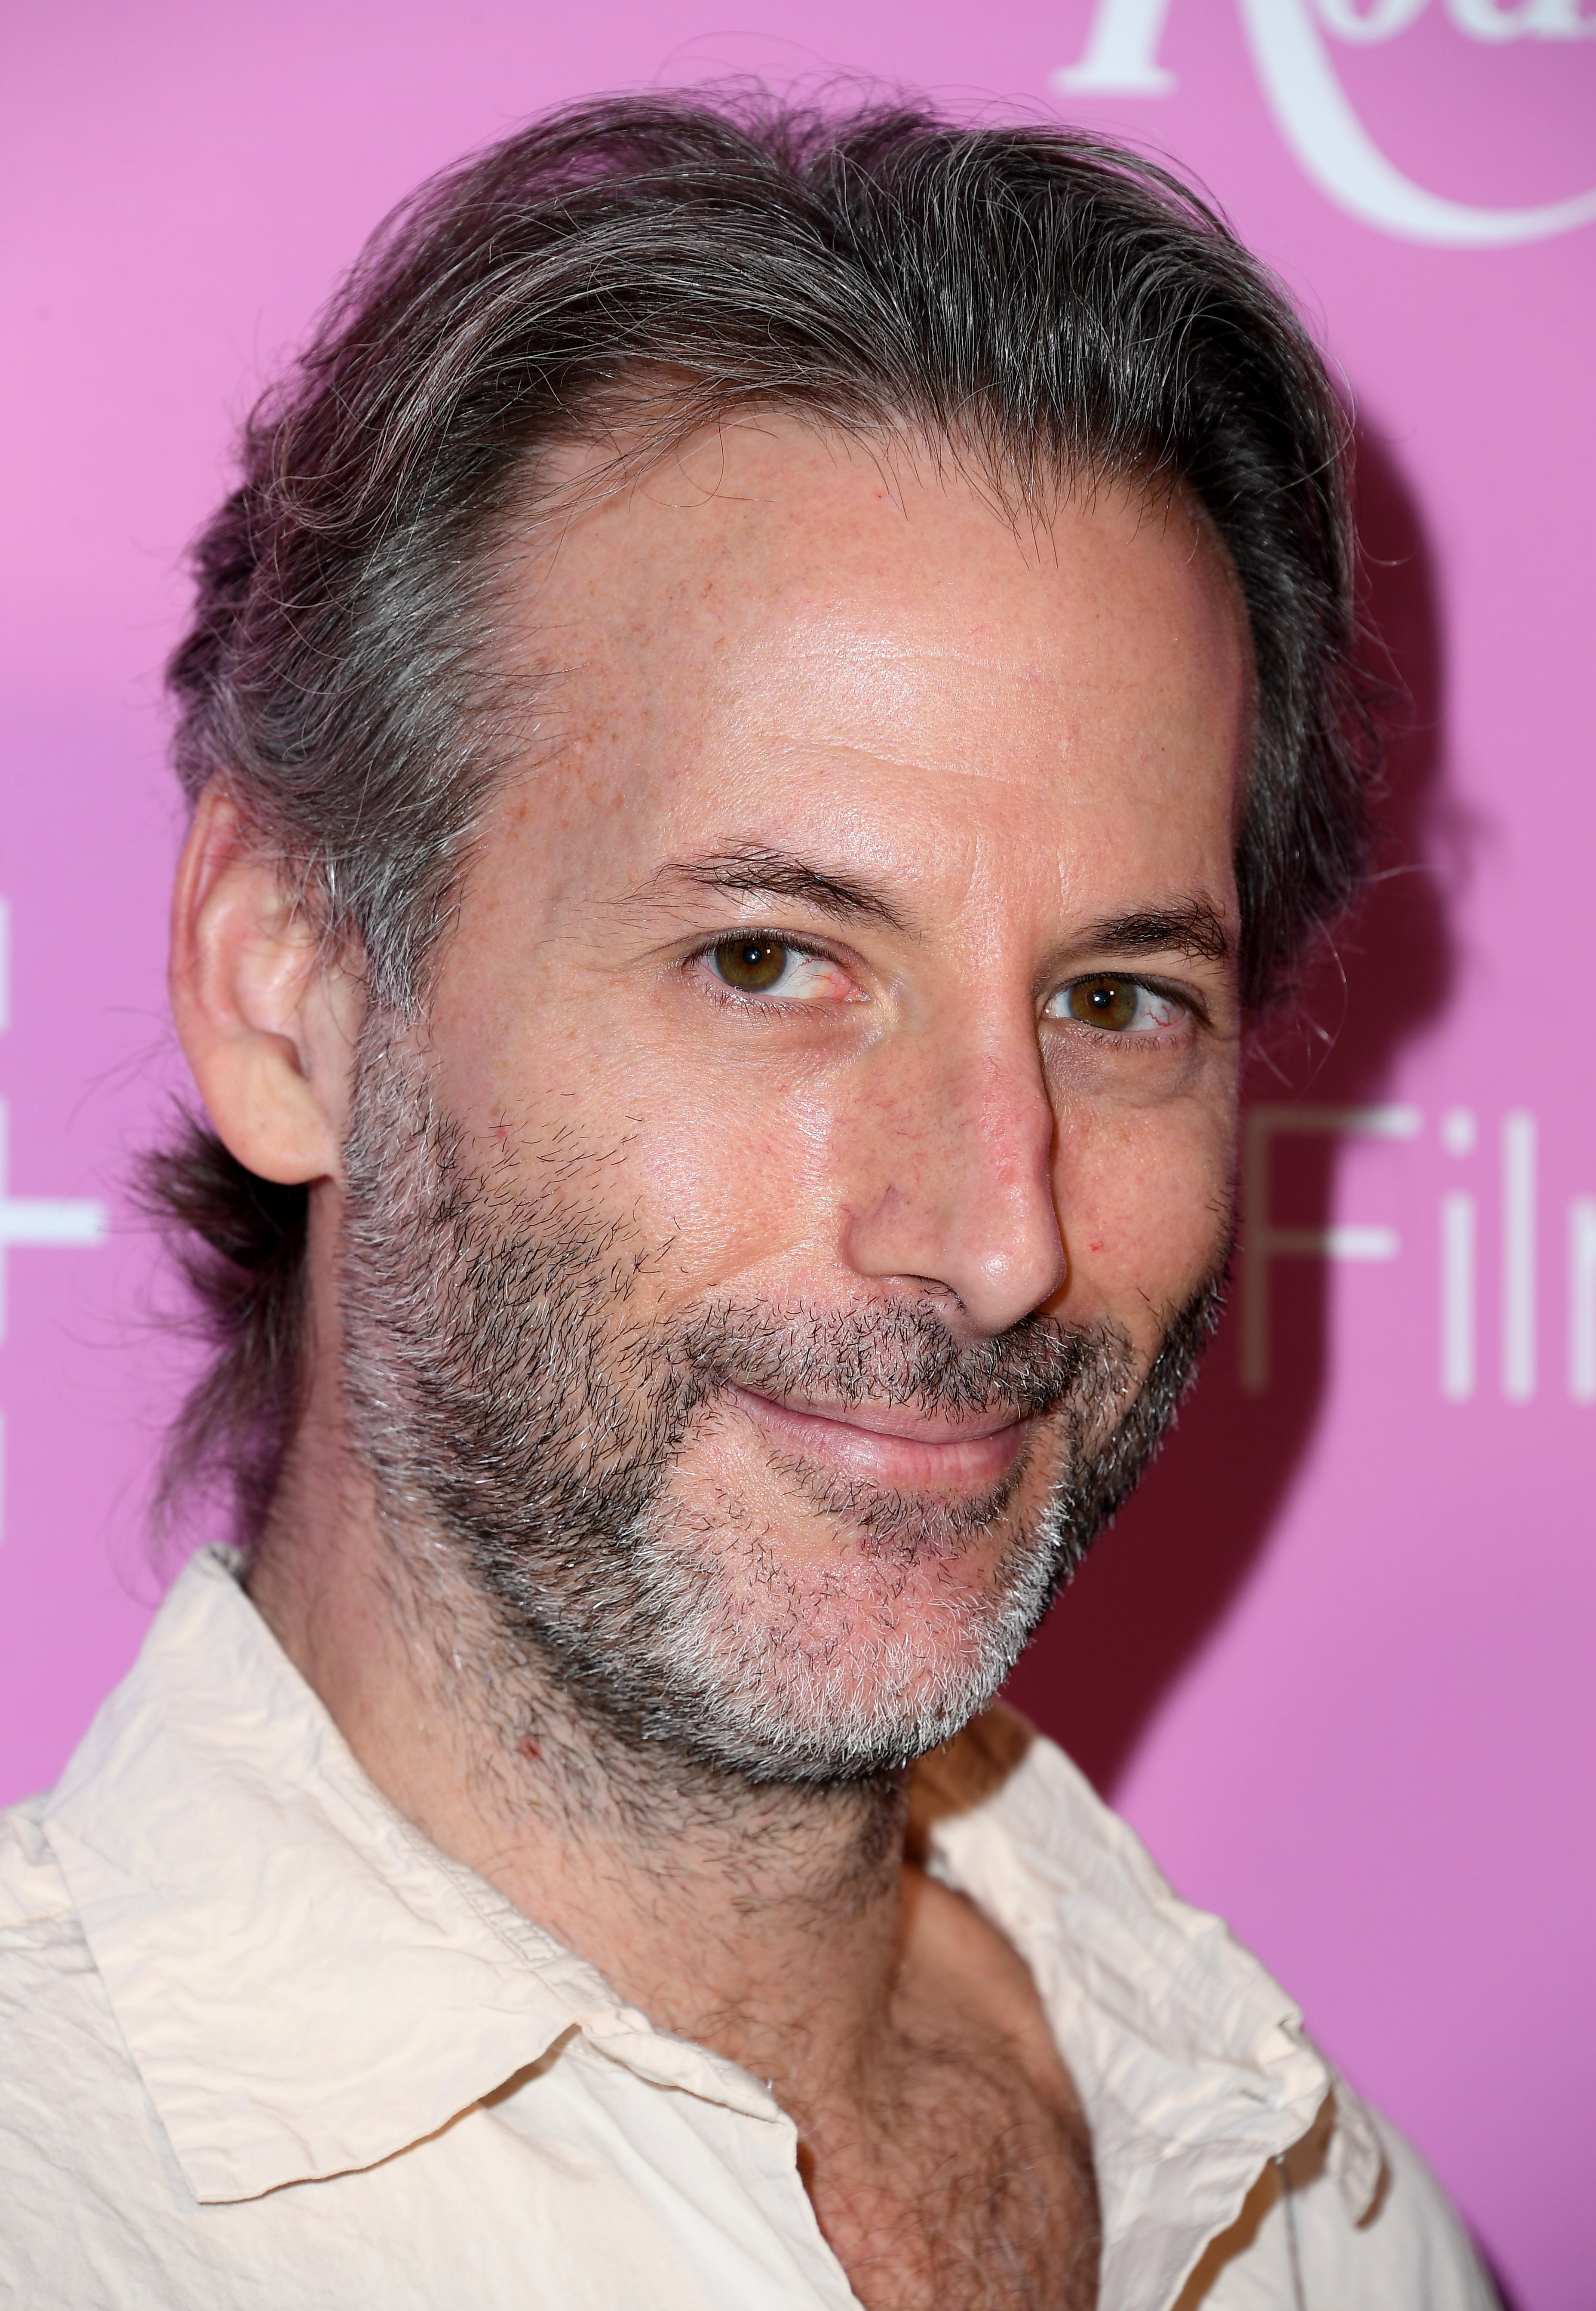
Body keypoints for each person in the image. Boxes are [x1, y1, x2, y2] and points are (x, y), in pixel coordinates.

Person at [0, 90, 1496, 2311]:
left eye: (1115, 999)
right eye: (772, 963)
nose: (999, 1240)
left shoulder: (1313, 2200)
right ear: (292, 986)